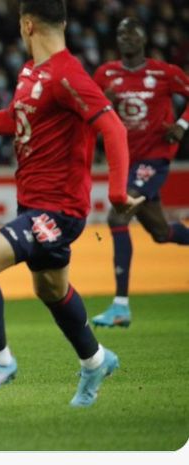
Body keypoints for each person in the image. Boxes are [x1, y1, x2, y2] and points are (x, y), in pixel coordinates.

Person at [0, 0, 144, 407]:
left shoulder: (68, 75)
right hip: (31, 203)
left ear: (27, 25)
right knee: (51, 289)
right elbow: (15, 118)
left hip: (58, 210)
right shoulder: (32, 72)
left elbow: (113, 128)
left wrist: (118, 193)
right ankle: (95, 360)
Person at [91, 17, 189, 328]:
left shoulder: (164, 72)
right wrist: (103, 106)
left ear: (144, 38)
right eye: (121, 33)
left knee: (117, 215)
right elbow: (87, 110)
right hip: (125, 161)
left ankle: (121, 305)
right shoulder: (106, 74)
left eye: (132, 33)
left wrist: (182, 125)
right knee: (161, 233)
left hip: (155, 158)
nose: (126, 38)